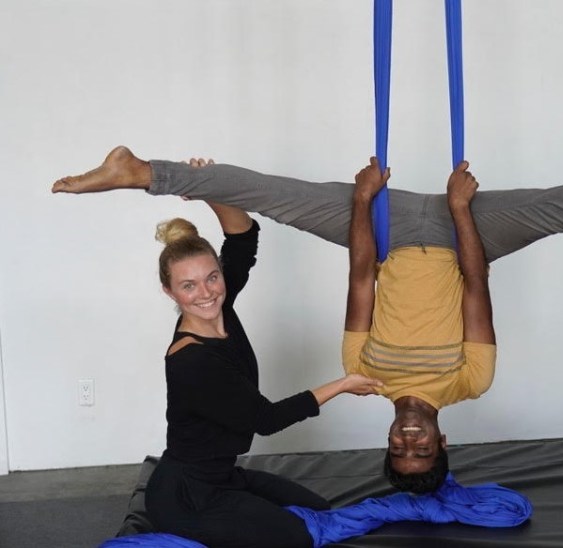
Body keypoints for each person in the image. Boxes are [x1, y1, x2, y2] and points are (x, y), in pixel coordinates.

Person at [52, 147, 563, 494]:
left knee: (266, 193)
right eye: (422, 451)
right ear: (442, 441)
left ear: (389, 442)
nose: (410, 440)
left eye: (400, 451)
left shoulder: (365, 373)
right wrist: (459, 210)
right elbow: (476, 284)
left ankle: (143, 171)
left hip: (383, 232)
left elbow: (361, 276)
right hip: (466, 232)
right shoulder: (470, 382)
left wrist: (364, 201)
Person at [111, 161, 383, 548]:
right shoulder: (192, 360)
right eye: (188, 286)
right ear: (170, 292)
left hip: (223, 475)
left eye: (212, 277)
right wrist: (343, 385)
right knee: (295, 538)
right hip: (187, 494)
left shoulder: (222, 307)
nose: (205, 293)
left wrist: (209, 186)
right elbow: (266, 419)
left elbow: (243, 237)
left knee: (319, 509)